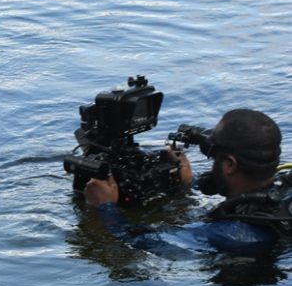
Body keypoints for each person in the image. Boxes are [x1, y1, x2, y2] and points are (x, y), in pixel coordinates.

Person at [84, 108, 290, 252]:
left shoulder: (230, 235)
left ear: (230, 165)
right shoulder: (285, 189)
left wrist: (105, 207)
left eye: (213, 155)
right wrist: (188, 184)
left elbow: (139, 241)